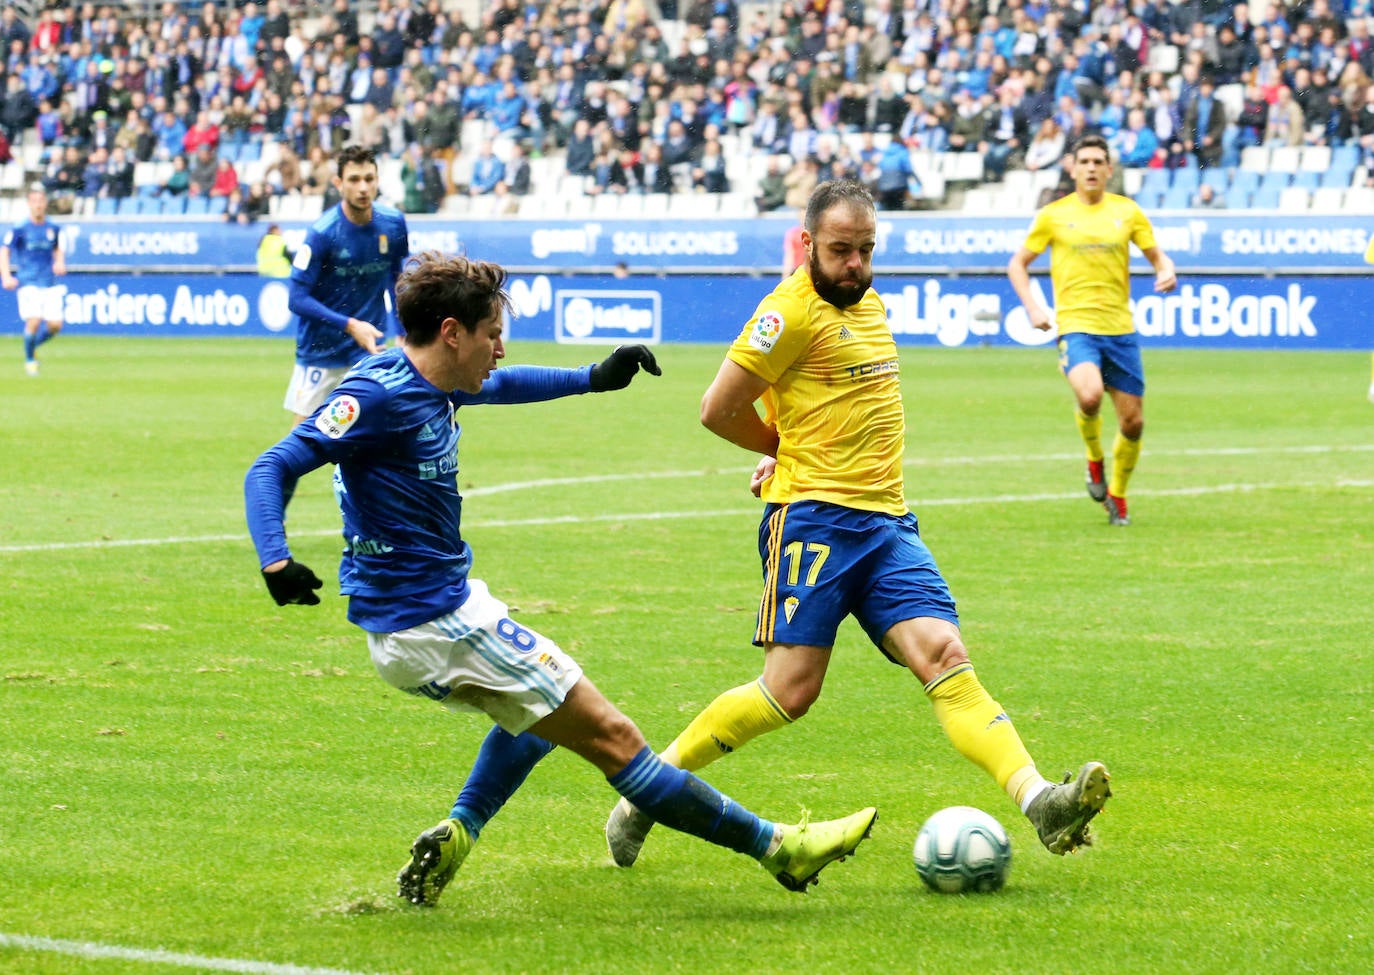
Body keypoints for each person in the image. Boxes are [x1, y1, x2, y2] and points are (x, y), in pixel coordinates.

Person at [244, 251, 878, 907]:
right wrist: (275, 557)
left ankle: (459, 830)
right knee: (616, 739)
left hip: (422, 619)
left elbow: (500, 385)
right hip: (437, 623)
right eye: (492, 332)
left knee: (538, 717)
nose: (500, 345)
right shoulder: (377, 395)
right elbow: (271, 467)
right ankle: (781, 849)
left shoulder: (426, 376)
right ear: (452, 332)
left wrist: (594, 377)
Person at [604, 179, 1111, 872]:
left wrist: (791, 433)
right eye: (842, 250)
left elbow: (818, 397)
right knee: (790, 691)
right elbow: (718, 406)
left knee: (944, 653)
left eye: (866, 250)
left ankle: (1040, 803)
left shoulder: (867, 302)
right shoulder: (788, 311)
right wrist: (778, 453)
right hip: (814, 519)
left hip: (888, 521)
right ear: (808, 243)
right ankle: (647, 790)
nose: (856, 265)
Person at [1007, 134, 1177, 527]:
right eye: (1084, 161)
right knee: (1089, 395)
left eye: (1099, 162)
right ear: (1072, 168)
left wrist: (1166, 270)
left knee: (1133, 423)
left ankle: (1117, 493)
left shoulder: (1127, 212)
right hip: (1076, 326)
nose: (1091, 168)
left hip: (1120, 330)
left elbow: (1157, 255)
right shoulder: (1053, 215)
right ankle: (1094, 460)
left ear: (1109, 169)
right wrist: (1034, 307)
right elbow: (1018, 263)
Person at [284, 144, 409, 428]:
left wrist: (403, 330)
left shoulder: (393, 224)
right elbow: (297, 298)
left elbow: (396, 277)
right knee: (304, 441)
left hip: (369, 349)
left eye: (369, 178)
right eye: (354, 179)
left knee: (375, 434)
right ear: (338, 183)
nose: (363, 187)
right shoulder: (322, 233)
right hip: (321, 351)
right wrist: (351, 325)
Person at [1, 184, 66, 376]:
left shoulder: (53, 227)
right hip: (28, 281)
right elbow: (4, 251)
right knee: (35, 321)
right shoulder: (20, 228)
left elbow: (58, 248)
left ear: (45, 203)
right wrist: (6, 275)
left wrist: (60, 262)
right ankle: (30, 361)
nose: (38, 205)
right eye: (34, 201)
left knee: (55, 326)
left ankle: (32, 346)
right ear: (29, 204)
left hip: (49, 282)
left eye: (41, 201)